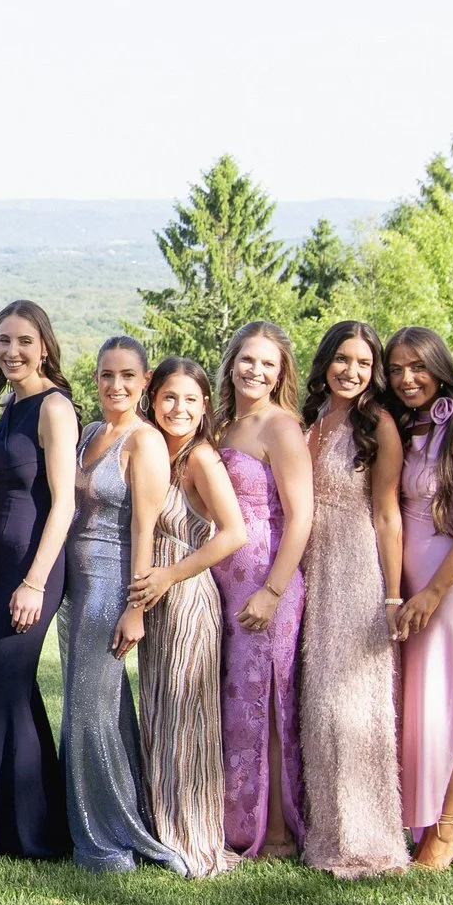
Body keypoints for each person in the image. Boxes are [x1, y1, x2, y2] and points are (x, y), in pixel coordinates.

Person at [59, 338, 184, 874]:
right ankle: (104, 820)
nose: (116, 386)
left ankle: (113, 839)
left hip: (111, 586)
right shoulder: (89, 434)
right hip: (73, 588)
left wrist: (135, 608)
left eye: (128, 376)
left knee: (91, 714)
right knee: (97, 709)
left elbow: (144, 530)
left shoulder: (145, 442)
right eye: (107, 375)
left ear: (145, 379)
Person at [293, 322, 411, 879]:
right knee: (317, 702)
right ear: (326, 361)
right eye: (343, 359)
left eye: (363, 363)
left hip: (356, 568)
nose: (351, 371)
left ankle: (369, 835)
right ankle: (327, 831)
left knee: (354, 705)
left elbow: (387, 513)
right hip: (310, 569)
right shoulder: (311, 421)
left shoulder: (378, 424)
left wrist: (392, 594)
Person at [128, 357, 246, 879]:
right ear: (152, 400)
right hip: (156, 599)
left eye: (191, 400)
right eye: (170, 398)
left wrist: (170, 576)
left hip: (187, 596)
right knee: (161, 711)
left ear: (205, 408)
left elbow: (233, 532)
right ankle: (161, 828)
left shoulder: (200, 459)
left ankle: (193, 837)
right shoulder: (153, 451)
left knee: (187, 716)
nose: (179, 408)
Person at [384, 326, 453, 871]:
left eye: (417, 368)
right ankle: (429, 822)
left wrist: (432, 591)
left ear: (439, 368)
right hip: (408, 583)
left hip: (450, 583)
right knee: (419, 704)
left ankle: (446, 832)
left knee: (446, 702)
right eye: (397, 369)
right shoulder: (409, 429)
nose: (407, 379)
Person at [0, 302, 76, 860]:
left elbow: (64, 503)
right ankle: (21, 821)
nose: (12, 351)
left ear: (44, 345)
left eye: (24, 341)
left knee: (4, 687)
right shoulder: (10, 402)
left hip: (32, 566)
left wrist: (35, 581)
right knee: (6, 687)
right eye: (3, 341)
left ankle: (25, 834)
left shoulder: (54, 407)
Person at [208, 321, 312, 860]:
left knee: (265, 704)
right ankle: (231, 819)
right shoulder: (222, 424)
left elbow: (301, 518)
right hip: (221, 583)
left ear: (280, 373)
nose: (256, 371)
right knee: (232, 704)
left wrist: (272, 591)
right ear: (231, 361)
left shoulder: (280, 427)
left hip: (266, 583)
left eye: (268, 364)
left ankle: (274, 830)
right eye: (248, 360)